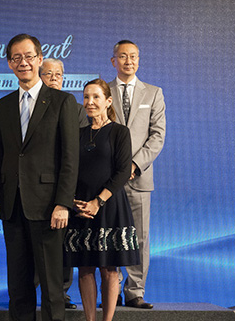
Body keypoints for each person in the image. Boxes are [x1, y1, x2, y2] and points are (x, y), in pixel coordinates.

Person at [0, 34, 79, 321]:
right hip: (13, 208)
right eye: (16, 58)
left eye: (29, 56)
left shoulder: (62, 101)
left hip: (49, 208)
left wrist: (63, 203)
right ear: (9, 64)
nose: (23, 62)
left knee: (52, 288)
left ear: (39, 59)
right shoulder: (2, 107)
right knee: (19, 287)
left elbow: (70, 157)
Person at [64, 78, 139, 321]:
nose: (90, 102)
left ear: (108, 101)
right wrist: (74, 201)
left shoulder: (119, 132)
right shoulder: (78, 134)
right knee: (85, 268)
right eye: (86, 97)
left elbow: (122, 172)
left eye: (96, 97)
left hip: (109, 207)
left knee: (109, 269)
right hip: (81, 208)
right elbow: (68, 170)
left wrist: (98, 201)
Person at [108, 40, 166, 309]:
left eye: (133, 56)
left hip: (139, 177)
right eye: (122, 56)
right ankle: (111, 291)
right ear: (114, 61)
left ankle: (135, 292)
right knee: (108, 235)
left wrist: (133, 166)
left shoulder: (153, 93)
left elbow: (157, 136)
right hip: (107, 179)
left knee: (139, 237)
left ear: (139, 60)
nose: (128, 61)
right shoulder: (102, 90)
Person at [38, 58, 89, 309]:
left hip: (66, 184)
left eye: (59, 73)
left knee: (64, 240)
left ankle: (62, 292)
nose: (55, 77)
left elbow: (77, 149)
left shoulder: (75, 107)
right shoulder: (28, 105)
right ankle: (33, 288)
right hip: (35, 184)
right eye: (49, 73)